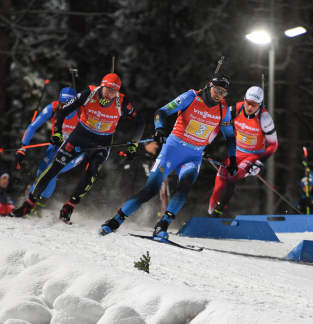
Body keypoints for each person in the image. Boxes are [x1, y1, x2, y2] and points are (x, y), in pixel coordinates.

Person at [100, 73, 238, 238]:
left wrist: (233, 159)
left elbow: (230, 137)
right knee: (150, 190)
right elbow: (161, 112)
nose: (219, 95)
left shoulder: (223, 109)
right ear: (209, 86)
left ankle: (162, 226)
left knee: (184, 187)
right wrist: (159, 129)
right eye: (217, 90)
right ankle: (115, 221)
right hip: (172, 150)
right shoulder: (191, 97)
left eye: (223, 93)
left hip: (193, 156)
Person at [10, 73, 145, 223]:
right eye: (108, 90)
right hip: (80, 136)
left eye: (114, 91)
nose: (110, 94)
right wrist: (58, 134)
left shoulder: (122, 103)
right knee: (53, 167)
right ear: (102, 85)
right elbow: (62, 112)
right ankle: (29, 203)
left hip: (102, 142)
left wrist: (134, 144)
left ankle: (69, 207)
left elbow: (140, 122)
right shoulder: (88, 94)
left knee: (91, 173)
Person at [208, 86, 278, 217]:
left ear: (260, 104)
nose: (250, 107)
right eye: (248, 103)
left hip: (253, 155)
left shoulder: (264, 119)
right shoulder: (236, 109)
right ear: (244, 100)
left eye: (254, 105)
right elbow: (218, 124)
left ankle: (219, 210)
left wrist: (259, 163)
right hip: (236, 152)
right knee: (218, 185)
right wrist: (206, 143)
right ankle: (209, 215)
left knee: (231, 177)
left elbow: (274, 145)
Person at [15, 87, 82, 212]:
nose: (65, 107)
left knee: (52, 170)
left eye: (68, 104)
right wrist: (22, 149)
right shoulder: (54, 108)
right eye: (62, 104)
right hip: (56, 147)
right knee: (41, 172)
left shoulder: (82, 111)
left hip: (76, 152)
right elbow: (32, 127)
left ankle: (38, 208)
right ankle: (27, 207)